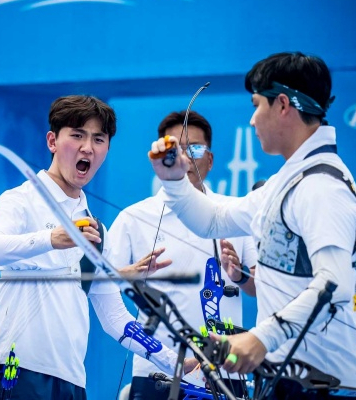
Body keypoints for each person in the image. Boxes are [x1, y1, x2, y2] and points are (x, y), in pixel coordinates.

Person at [148, 52, 356, 399]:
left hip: (319, 385)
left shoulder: (323, 186)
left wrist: (261, 337)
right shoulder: (286, 183)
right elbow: (213, 220)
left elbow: (334, 283)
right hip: (283, 379)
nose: (251, 121)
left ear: (283, 105)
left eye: (256, 105)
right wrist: (174, 180)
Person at [0, 95, 195, 400]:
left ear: (107, 150)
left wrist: (173, 361)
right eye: (77, 135)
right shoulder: (20, 199)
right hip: (15, 371)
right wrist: (52, 238)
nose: (88, 147)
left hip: (72, 380)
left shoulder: (97, 231)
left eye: (98, 139)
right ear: (52, 141)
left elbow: (116, 318)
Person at [107, 111, 258, 400]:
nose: (185, 158)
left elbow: (259, 286)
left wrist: (239, 276)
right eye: (175, 150)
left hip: (225, 372)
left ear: (210, 160)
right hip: (156, 373)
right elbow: (99, 286)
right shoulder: (134, 217)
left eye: (195, 149)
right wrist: (127, 275)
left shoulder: (234, 213)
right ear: (160, 158)